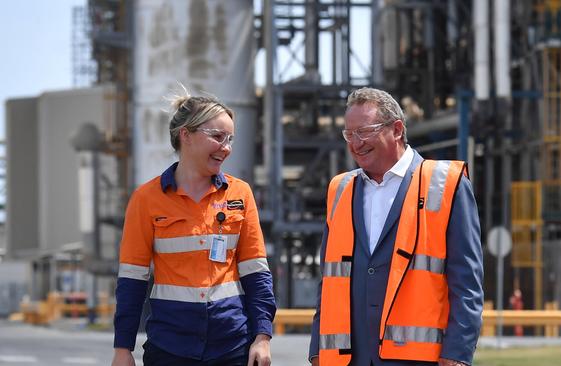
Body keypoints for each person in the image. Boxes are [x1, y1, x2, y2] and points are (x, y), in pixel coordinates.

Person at [309, 87, 483, 366]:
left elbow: (467, 283)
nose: (356, 143)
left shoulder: (446, 184)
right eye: (349, 134)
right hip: (348, 360)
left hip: (418, 359)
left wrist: (457, 355)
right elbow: (329, 280)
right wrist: (318, 349)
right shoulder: (339, 189)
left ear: (397, 130)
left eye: (364, 131)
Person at [112, 94, 276, 366]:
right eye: (218, 136)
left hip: (232, 347)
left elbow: (257, 274)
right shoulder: (146, 200)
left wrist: (262, 337)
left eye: (230, 139)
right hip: (170, 349)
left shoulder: (240, 194)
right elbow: (132, 281)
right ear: (185, 135)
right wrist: (122, 348)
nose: (226, 147)